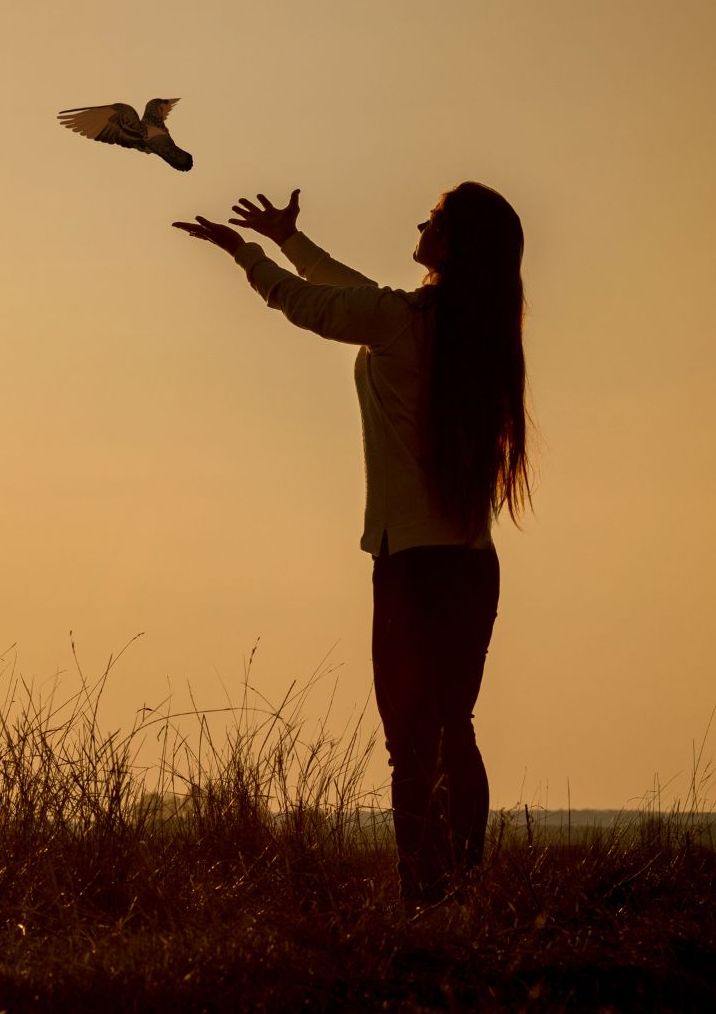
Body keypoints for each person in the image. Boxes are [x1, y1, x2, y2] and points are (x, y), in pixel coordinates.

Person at [173, 184, 531, 904]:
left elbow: (316, 307)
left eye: (433, 219)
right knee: (452, 728)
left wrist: (245, 252)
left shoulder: (402, 321)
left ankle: (423, 899)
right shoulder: (468, 329)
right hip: (470, 564)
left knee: (410, 741)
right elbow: (357, 293)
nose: (420, 221)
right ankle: (459, 887)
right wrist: (290, 243)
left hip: (411, 565)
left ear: (454, 244)